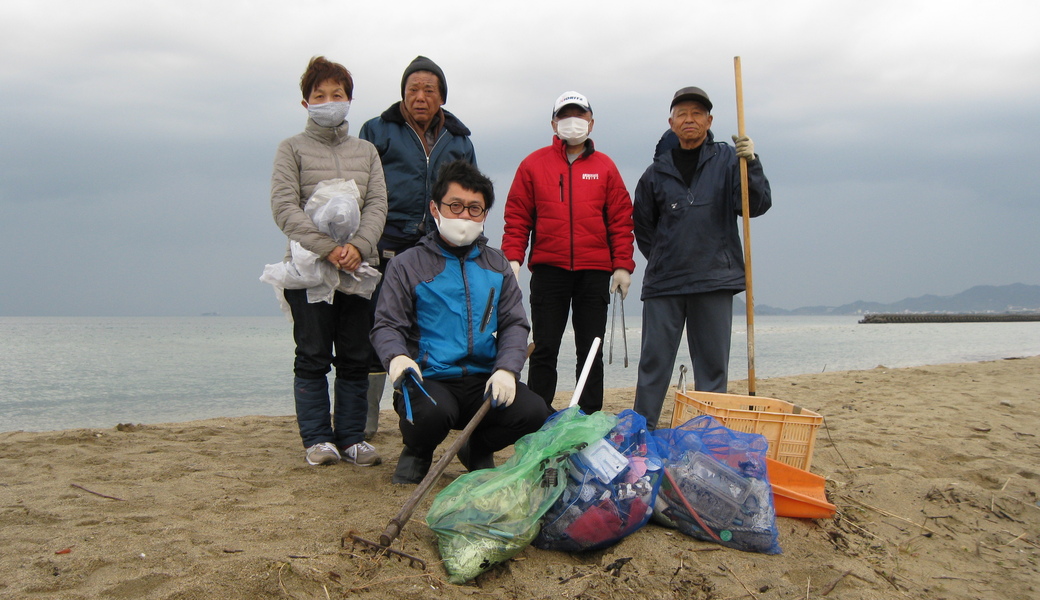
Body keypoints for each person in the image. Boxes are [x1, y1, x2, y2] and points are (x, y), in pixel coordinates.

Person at [371, 160, 551, 484]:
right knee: (431, 413)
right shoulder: (406, 265)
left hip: (484, 377)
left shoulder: (498, 265)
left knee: (535, 411)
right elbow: (387, 324)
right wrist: (396, 357)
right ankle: (417, 452)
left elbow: (514, 324)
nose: (464, 216)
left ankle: (475, 448)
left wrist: (507, 369)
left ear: (484, 215)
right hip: (432, 378)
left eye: (474, 209)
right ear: (435, 208)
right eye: (455, 206)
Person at [270, 56, 387, 466]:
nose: (329, 101)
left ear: (349, 100)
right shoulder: (292, 149)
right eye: (319, 95)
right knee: (313, 355)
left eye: (337, 94)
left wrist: (358, 245)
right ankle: (318, 438)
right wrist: (326, 247)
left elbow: (377, 204)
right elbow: (285, 207)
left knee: (356, 355)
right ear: (306, 103)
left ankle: (353, 437)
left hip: (358, 269)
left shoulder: (367, 151)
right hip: (308, 273)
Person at [632, 86, 772, 429]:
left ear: (709, 120)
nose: (689, 120)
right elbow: (643, 227)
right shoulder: (654, 173)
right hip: (665, 282)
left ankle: (707, 434)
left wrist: (751, 163)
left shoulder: (728, 160)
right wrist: (667, 256)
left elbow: (754, 205)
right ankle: (641, 431)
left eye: (697, 113)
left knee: (712, 367)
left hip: (714, 279)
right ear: (671, 122)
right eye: (682, 114)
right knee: (653, 364)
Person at [359, 56, 478, 439]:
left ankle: (419, 411)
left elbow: (469, 191)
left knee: (428, 331)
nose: (421, 97)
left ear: (442, 96)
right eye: (413, 89)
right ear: (402, 95)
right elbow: (359, 188)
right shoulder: (377, 131)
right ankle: (365, 422)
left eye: (430, 90)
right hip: (387, 243)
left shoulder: (459, 140)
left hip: (436, 247)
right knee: (377, 328)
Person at [501, 91, 635, 413]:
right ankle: (536, 415)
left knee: (590, 350)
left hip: (594, 272)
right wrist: (512, 258)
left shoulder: (605, 167)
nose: (571, 122)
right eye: (564, 115)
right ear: (553, 122)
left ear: (591, 122)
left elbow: (620, 219)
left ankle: (587, 417)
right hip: (549, 270)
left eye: (579, 115)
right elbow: (518, 216)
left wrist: (623, 266)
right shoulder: (533, 165)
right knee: (545, 348)